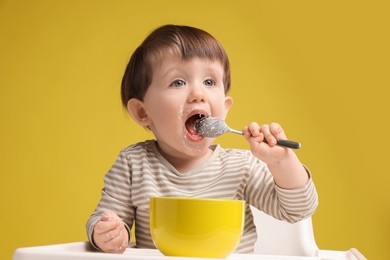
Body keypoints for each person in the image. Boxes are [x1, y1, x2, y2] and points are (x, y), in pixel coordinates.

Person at [86, 24, 318, 254]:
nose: (198, 94)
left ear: (225, 108)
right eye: (178, 82)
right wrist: (107, 232)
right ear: (142, 112)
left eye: (209, 82)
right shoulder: (133, 164)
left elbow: (298, 210)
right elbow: (104, 218)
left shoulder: (242, 167)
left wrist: (282, 162)